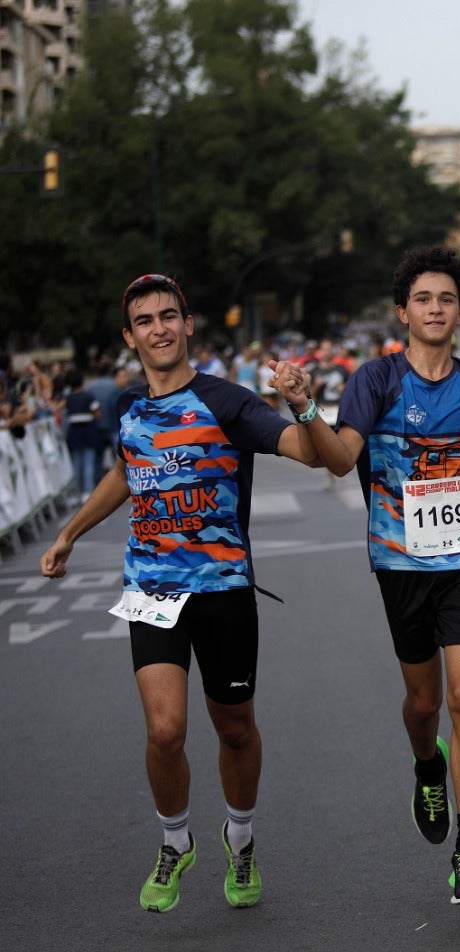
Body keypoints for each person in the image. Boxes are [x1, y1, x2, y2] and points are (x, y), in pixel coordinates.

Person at [40, 273, 329, 912]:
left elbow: (305, 454)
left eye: (169, 316)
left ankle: (242, 835)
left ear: (188, 323)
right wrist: (69, 532)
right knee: (165, 730)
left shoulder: (227, 401)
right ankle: (176, 841)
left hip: (223, 589)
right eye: (145, 321)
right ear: (130, 336)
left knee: (235, 729)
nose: (159, 329)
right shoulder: (128, 408)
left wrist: (300, 406)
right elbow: (126, 471)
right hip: (152, 588)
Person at [286, 246, 460, 904]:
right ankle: (427, 763)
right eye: (423, 299)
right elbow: (343, 461)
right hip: (399, 562)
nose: (435, 309)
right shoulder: (377, 380)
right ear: (404, 312)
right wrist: (306, 411)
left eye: (447, 299)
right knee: (425, 704)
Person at [61, 368, 101, 502]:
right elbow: (97, 414)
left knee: (76, 464)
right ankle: (88, 492)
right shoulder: (89, 396)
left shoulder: (68, 399)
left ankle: (78, 493)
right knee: (88, 463)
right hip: (88, 431)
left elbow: (65, 415)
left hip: (74, 432)